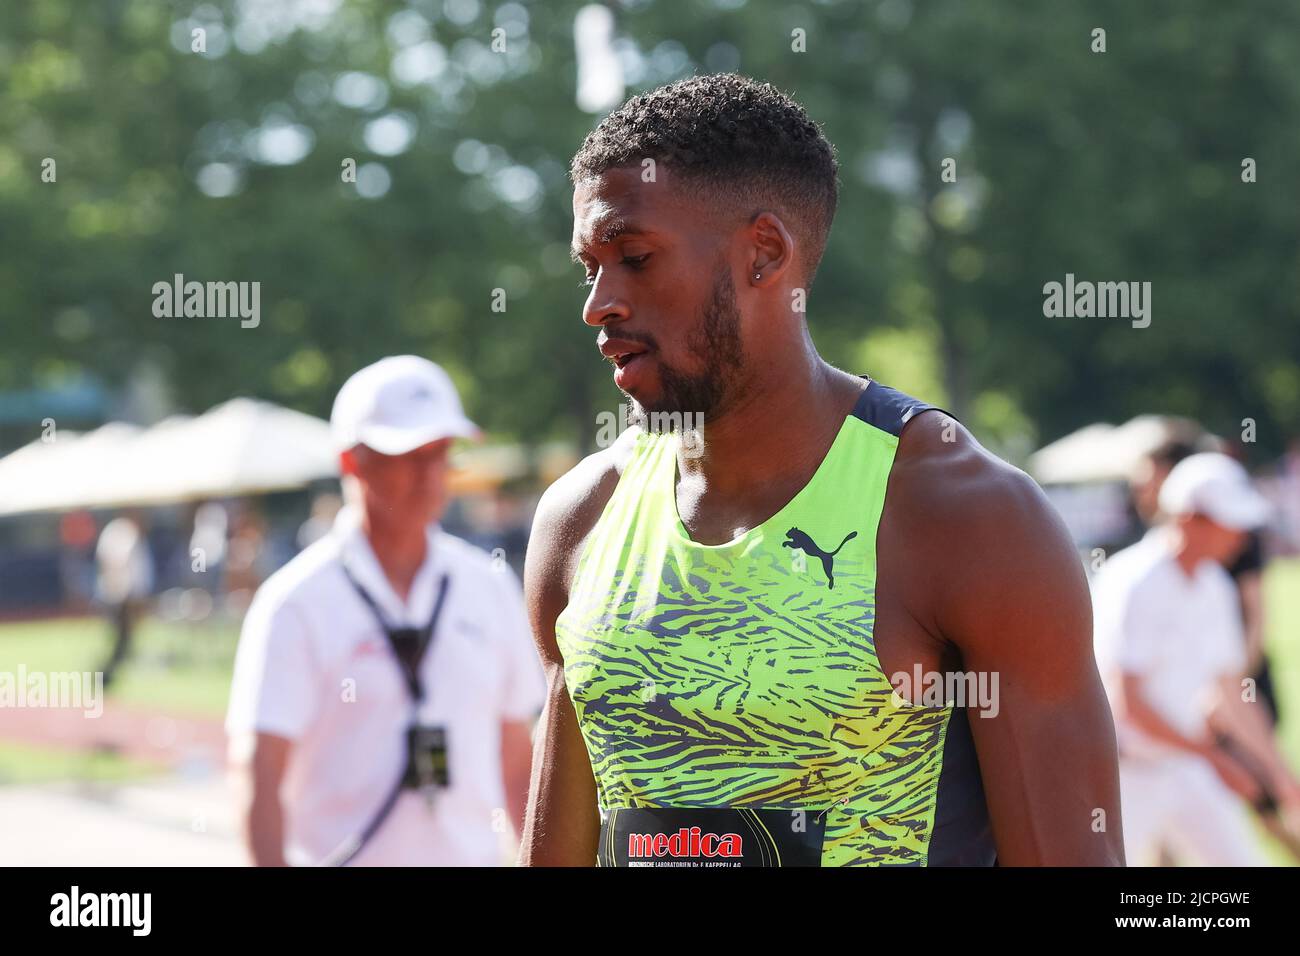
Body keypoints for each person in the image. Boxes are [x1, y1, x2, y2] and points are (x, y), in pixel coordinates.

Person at [519, 74, 1123, 867]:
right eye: (589, 267)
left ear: (764, 254)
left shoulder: (962, 515)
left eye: (634, 257)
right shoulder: (582, 521)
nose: (598, 303)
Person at [226, 355, 545, 866]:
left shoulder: (488, 584)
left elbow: (517, 762)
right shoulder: (295, 603)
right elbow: (258, 771)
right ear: (352, 461)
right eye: (408, 453)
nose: (429, 473)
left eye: (439, 451)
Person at [1093, 452, 1300, 865]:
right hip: (1123, 777)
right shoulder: (1132, 581)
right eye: (1229, 522)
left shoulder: (1214, 586)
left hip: (1185, 768)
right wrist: (1215, 758)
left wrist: (1278, 776)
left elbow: (1231, 690)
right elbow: (1126, 703)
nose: (1239, 536)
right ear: (1189, 518)